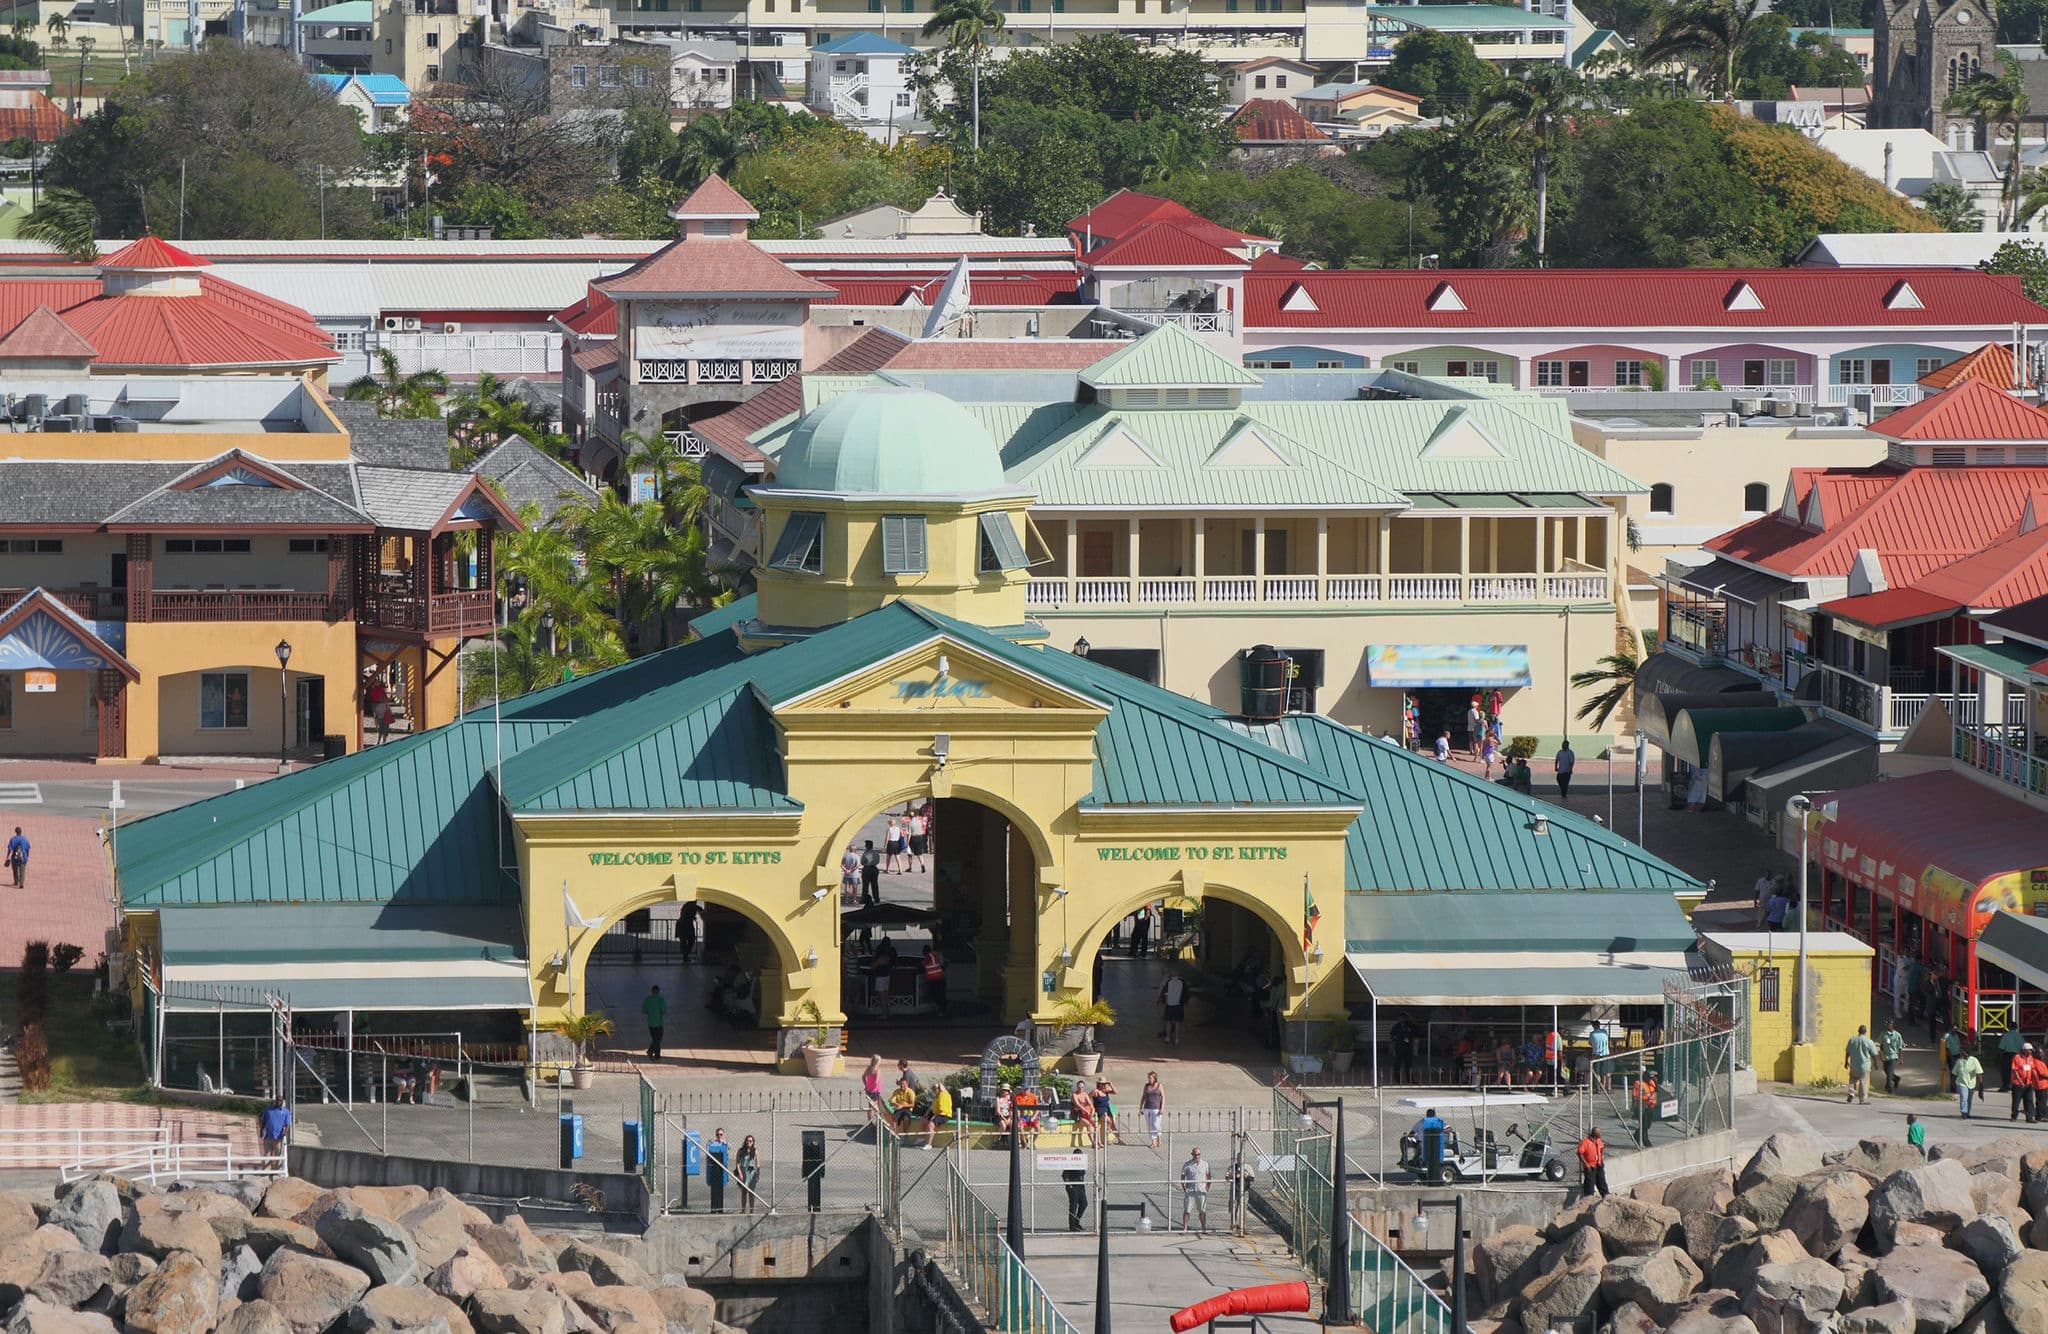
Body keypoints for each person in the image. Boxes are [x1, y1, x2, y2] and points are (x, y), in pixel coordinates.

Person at [1179, 1146, 1212, 1233]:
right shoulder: (1187, 1164)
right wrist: (1184, 1188)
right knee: (1187, 1210)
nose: (1197, 1156)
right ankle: (1185, 1228)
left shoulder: (1205, 1164)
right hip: (1190, 1190)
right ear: (1192, 1154)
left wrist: (1207, 1187)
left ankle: (1204, 1228)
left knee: (1202, 1210)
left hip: (1201, 1190)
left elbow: (1209, 1176)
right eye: (1195, 1154)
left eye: (1198, 1154)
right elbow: (1182, 1177)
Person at [1844, 1024, 1878, 1106]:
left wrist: (1846, 1062)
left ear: (1858, 1031)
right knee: (1863, 1082)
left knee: (1852, 1079)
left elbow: (1847, 1052)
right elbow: (1873, 1054)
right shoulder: (1868, 1041)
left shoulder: (1852, 1040)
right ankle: (1862, 1099)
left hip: (1854, 1065)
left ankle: (1851, 1093)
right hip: (1864, 1066)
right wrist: (1875, 1063)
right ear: (1865, 1032)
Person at [1576, 1127, 1609, 1201]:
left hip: (1599, 1165)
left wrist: (1602, 1156)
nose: (1600, 1134)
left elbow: (1602, 1148)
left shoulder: (1599, 1140)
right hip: (1590, 1166)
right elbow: (1579, 1153)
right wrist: (1586, 1164)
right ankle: (1588, 1199)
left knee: (1602, 1181)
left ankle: (1606, 1196)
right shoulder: (1585, 1142)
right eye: (1598, 1133)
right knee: (1590, 1184)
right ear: (1594, 1133)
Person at [1092, 1077, 1125, 1146]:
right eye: (1101, 1084)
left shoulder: (1105, 1090)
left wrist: (1110, 1084)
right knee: (1109, 1121)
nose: (1103, 1085)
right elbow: (1088, 1097)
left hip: (1107, 1109)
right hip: (1100, 1110)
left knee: (1113, 1124)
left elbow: (1115, 1092)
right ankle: (1105, 1138)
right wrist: (1092, 1107)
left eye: (1104, 1083)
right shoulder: (1096, 1091)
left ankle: (1119, 1139)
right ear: (1098, 1084)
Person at [920, 1081, 954, 1149]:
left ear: (939, 1088)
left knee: (931, 1124)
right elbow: (932, 1107)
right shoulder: (937, 1096)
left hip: (944, 1114)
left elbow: (941, 1109)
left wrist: (933, 1117)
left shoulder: (943, 1095)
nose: (934, 1090)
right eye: (933, 1089)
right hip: (936, 1112)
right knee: (923, 1120)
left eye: (935, 1089)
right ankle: (922, 1138)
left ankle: (929, 1144)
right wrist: (926, 1115)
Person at [1953, 1044, 1984, 1118]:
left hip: (1971, 1083)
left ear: (1967, 1053)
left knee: (1969, 1100)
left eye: (1962, 1051)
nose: (1961, 1053)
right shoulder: (1959, 1061)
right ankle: (1963, 1112)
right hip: (1961, 1083)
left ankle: (1967, 1113)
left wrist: (1981, 1084)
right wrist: (1953, 1084)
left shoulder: (1974, 1061)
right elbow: (1954, 1073)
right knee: (1963, 1098)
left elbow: (1979, 1072)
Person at [2013, 1042, 2041, 1123]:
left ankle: (2029, 1117)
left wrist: (2036, 1081)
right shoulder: (2017, 1057)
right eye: (2029, 1050)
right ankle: (2014, 1116)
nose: (2030, 1052)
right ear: (2024, 1050)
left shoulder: (2030, 1058)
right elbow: (2015, 1071)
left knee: (2029, 1101)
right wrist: (2020, 1081)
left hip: (2028, 1083)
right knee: (2016, 1101)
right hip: (2018, 1084)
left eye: (2031, 1051)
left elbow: (2033, 1070)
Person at [1159, 971, 1188, 1046]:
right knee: (1177, 1023)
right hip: (1178, 1005)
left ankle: (1168, 1038)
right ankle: (1177, 1039)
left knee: (1168, 1021)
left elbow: (1165, 993)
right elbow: (1185, 993)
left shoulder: (1169, 982)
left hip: (1169, 1004)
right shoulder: (1182, 982)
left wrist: (1165, 1001)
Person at [1414, 1107, 1446, 1174]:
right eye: (1428, 1114)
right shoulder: (1421, 1122)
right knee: (1420, 1145)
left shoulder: (1438, 1121)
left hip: (1437, 1141)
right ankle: (1419, 1161)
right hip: (1422, 1141)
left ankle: (1423, 1161)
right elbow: (1413, 1131)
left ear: (1434, 1115)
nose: (1429, 1116)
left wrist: (1440, 1131)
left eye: (1431, 1114)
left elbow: (1449, 1128)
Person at [259, 1097, 292, 1162]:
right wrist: (261, 1130)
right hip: (267, 1137)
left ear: (282, 1102)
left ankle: (275, 1171)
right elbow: (262, 1120)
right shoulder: (268, 1109)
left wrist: (285, 1132)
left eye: (280, 1100)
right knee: (266, 1155)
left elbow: (288, 1124)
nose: (278, 1102)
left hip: (278, 1138)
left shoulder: (286, 1112)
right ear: (275, 1101)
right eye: (277, 1100)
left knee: (278, 1155)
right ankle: (266, 1171)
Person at [1633, 1068, 1659, 1146]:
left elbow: (1655, 1091)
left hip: (1650, 1106)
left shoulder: (1652, 1082)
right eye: (1649, 1077)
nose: (1650, 1079)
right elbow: (1637, 1095)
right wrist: (1648, 1097)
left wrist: (1652, 1095)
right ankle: (1645, 1141)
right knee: (1644, 1124)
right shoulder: (1638, 1083)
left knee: (1648, 1124)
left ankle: (1636, 1135)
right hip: (1642, 1105)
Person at [736, 1134, 761, 1211]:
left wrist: (758, 1174)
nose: (749, 1142)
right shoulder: (740, 1151)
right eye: (747, 1140)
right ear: (745, 1141)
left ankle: (751, 1209)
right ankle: (743, 1209)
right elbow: (737, 1163)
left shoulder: (755, 1151)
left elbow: (758, 1164)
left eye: (751, 1141)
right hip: (743, 1173)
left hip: (752, 1173)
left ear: (753, 1142)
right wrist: (739, 1173)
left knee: (751, 1193)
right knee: (743, 1192)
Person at [1140, 1072, 1165, 1148]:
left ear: (1154, 1078)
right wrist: (1141, 1107)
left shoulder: (1159, 1085)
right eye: (1148, 1078)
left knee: (1156, 1124)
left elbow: (1163, 1096)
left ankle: (1159, 1139)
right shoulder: (1147, 1086)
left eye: (1150, 1078)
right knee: (1150, 1125)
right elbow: (1143, 1096)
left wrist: (1162, 1107)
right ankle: (1153, 1141)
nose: (1149, 1080)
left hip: (1156, 1108)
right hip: (1147, 1107)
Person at [642, 985, 666, 1061]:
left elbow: (644, 1011)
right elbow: (663, 1011)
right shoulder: (661, 1000)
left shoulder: (647, 1000)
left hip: (650, 1023)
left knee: (655, 1039)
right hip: (659, 1023)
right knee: (657, 1040)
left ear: (652, 991)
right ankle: (650, 1051)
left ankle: (657, 1055)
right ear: (658, 991)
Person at [1881, 1020, 1905, 1095]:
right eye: (1887, 1024)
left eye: (1889, 1024)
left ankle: (1889, 1088)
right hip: (1886, 1056)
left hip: (1893, 1056)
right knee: (1886, 1071)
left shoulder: (1897, 1035)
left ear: (1892, 1025)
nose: (1887, 1026)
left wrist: (1900, 1058)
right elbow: (1881, 1046)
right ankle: (1896, 1079)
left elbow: (1900, 1047)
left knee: (1889, 1073)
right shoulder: (1883, 1034)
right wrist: (1881, 1055)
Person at [1390, 1016, 1417, 1083]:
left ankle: (1410, 1079)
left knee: (1409, 1064)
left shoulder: (1410, 1026)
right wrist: (1398, 1040)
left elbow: (1414, 1033)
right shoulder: (1396, 1026)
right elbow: (1392, 1035)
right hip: (1399, 1047)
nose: (1403, 1020)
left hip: (1408, 1047)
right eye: (1401, 1018)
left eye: (1404, 1018)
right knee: (1398, 1063)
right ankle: (1398, 1079)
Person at [922, 944, 947, 1015]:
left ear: (925, 951)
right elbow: (944, 963)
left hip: (933, 979)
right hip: (941, 978)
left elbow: (923, 965)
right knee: (941, 995)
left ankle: (939, 1009)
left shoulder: (928, 957)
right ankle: (942, 1009)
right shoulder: (937, 954)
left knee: (934, 994)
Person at [1063, 1165, 1090, 1232]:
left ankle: (1076, 1221)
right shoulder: (1071, 1163)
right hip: (1073, 1186)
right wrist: (1069, 1185)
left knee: (1084, 1204)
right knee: (1073, 1206)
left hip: (1080, 1186)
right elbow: (1064, 1175)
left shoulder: (1082, 1163)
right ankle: (1072, 1226)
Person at [1588, 1021, 1612, 1092]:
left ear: (1593, 1026)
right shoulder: (1604, 1032)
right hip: (1605, 1053)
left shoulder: (1592, 1034)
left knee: (1597, 1072)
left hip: (1596, 1054)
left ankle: (1598, 1088)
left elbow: (1590, 1043)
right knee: (1605, 1072)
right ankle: (1605, 1087)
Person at [906, 808, 929, 873]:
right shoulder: (919, 821)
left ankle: (910, 867)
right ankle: (922, 865)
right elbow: (923, 827)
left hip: (913, 838)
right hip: (920, 837)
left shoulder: (910, 823)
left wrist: (907, 843)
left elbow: (909, 834)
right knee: (919, 853)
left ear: (909, 817)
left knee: (910, 854)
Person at [859, 840, 882, 906]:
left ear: (867, 846)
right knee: (874, 884)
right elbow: (877, 861)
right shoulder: (876, 853)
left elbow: (862, 862)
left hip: (867, 869)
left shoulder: (866, 853)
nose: (865, 846)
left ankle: (864, 898)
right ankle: (876, 898)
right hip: (874, 868)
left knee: (865, 885)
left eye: (866, 845)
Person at [862, 1055, 884, 1123]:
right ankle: (874, 1121)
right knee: (875, 1107)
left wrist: (866, 1085)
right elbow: (876, 1082)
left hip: (868, 1090)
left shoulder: (869, 1068)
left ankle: (870, 1121)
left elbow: (863, 1077)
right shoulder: (877, 1070)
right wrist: (873, 1089)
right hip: (875, 1091)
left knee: (870, 1106)